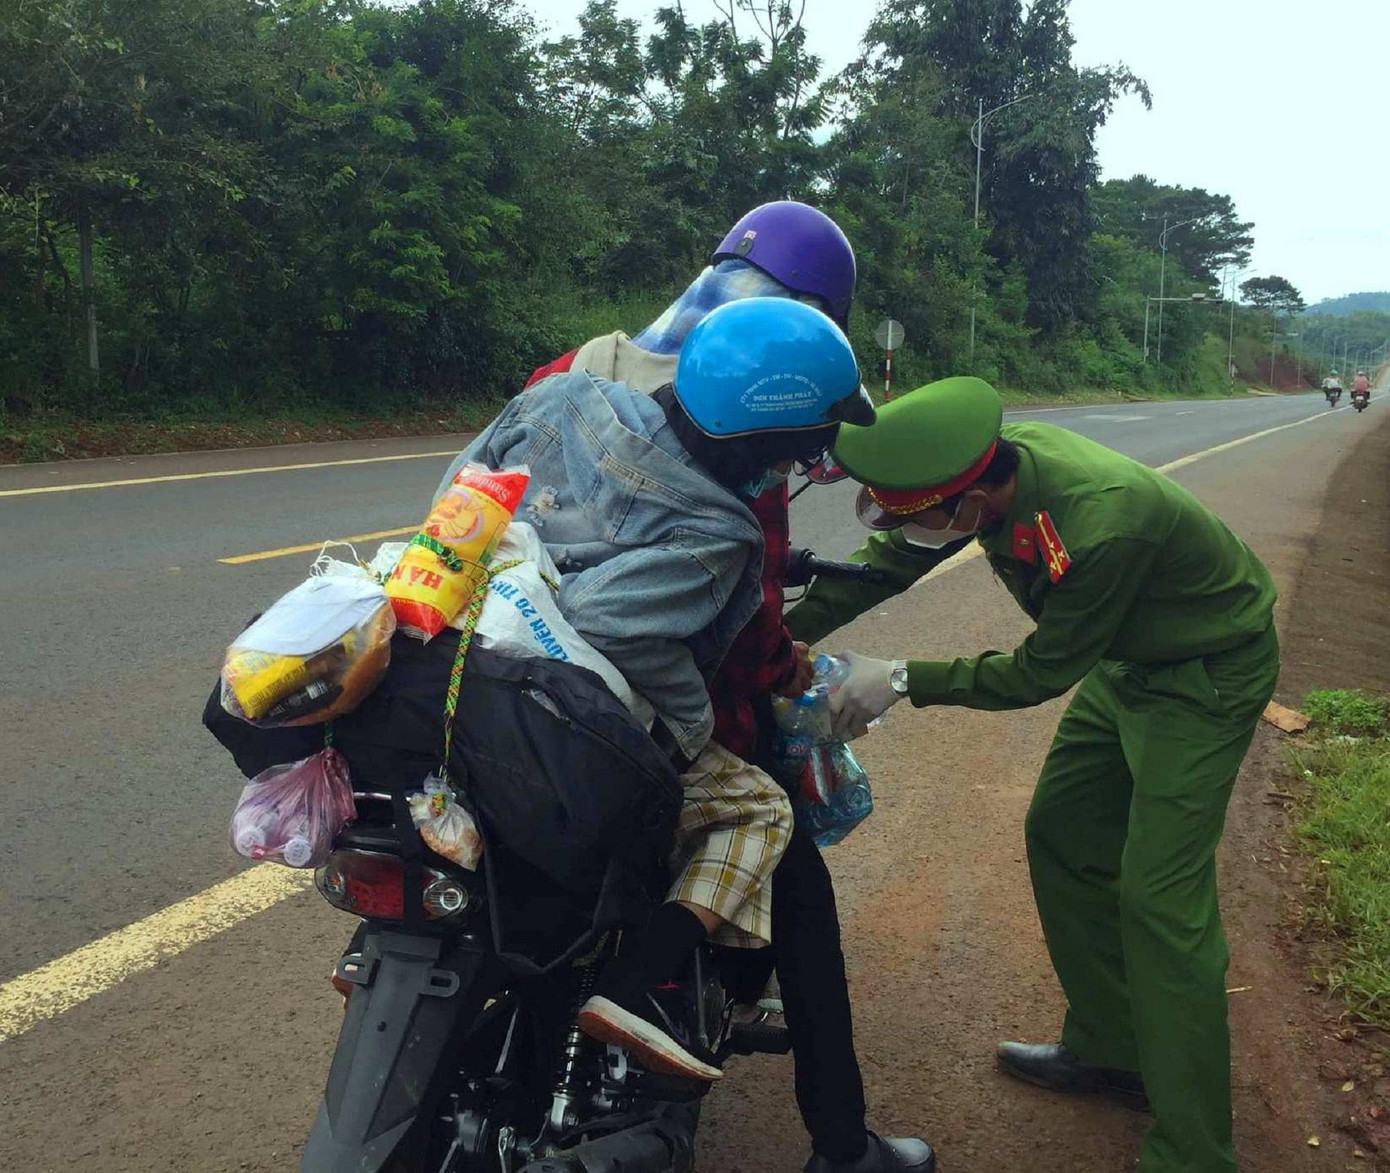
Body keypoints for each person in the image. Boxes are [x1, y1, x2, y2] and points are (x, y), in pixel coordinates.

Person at [515, 201, 935, 1172]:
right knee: (793, 868)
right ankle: (842, 1146)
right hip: (636, 714)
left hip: (507, 676)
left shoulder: (576, 368)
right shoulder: (747, 408)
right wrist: (784, 678)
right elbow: (744, 625)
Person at [784, 377, 1280, 1173]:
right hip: (1129, 657)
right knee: (1062, 831)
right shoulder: (975, 475)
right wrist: (771, 638)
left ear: (974, 502)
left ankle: (1194, 1151)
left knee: (1161, 902)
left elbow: (1037, 672)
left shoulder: (1104, 522)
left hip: (1205, 672)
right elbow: (887, 562)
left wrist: (902, 677)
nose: (910, 530)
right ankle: (1115, 1048)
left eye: (920, 517)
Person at [442, 296, 873, 1085]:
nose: (791, 470)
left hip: (450, 673)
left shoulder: (562, 396)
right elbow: (605, 619)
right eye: (796, 454)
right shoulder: (720, 529)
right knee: (760, 807)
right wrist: (690, 718)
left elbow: (458, 500)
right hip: (556, 720)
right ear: (762, 442)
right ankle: (633, 984)